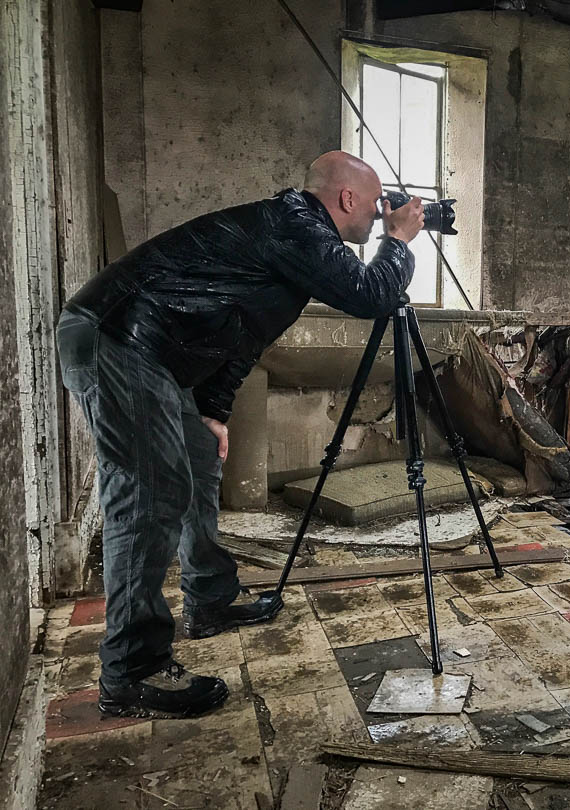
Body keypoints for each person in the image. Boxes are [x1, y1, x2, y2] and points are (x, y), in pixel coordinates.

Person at [56, 151, 424, 719]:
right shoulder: (298, 224)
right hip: (118, 338)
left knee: (200, 459)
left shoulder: (292, 239)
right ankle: (131, 672)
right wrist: (399, 242)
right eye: (376, 203)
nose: (381, 213)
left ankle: (208, 600)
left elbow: (243, 332)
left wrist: (214, 412)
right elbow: (372, 295)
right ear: (346, 199)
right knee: (148, 496)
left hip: (157, 351)